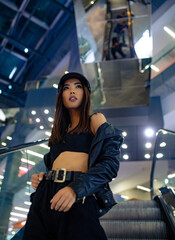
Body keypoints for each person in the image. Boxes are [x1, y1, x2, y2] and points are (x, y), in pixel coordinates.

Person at [22, 72, 123, 240]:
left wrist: (75, 189)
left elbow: (110, 164)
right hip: (45, 197)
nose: (72, 91)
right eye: (66, 88)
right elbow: (55, 166)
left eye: (78, 87)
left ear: (85, 93)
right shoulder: (58, 134)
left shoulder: (95, 120)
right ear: (61, 95)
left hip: (76, 195)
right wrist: (42, 177)